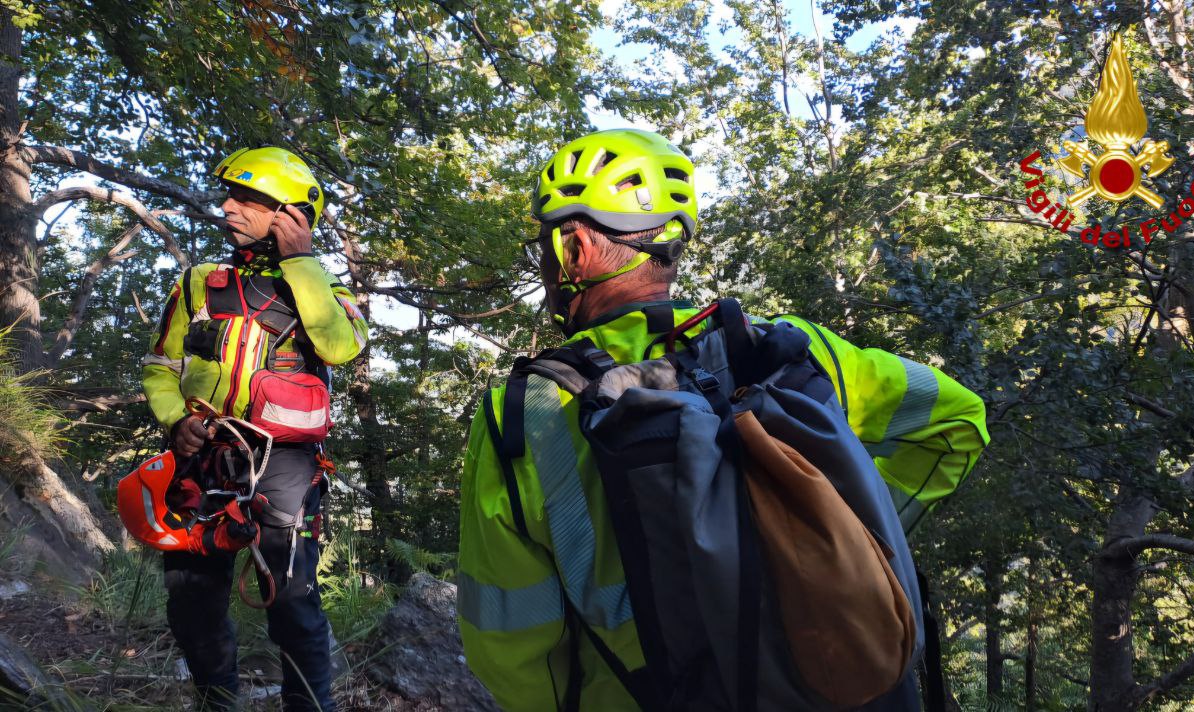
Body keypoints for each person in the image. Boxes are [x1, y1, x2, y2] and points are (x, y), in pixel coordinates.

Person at [457, 128, 990, 710]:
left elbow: (512, 649)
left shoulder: (521, 413)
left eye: (546, 246)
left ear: (575, 248)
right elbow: (959, 420)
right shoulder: (793, 347)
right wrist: (844, 536)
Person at [141, 146, 368, 711]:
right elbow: (160, 367)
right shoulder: (199, 284)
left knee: (292, 602)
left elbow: (340, 347)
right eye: (228, 195)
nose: (227, 208)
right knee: (191, 599)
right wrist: (176, 422)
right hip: (202, 457)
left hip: (286, 468)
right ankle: (218, 702)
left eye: (246, 199)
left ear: (290, 215)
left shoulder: (327, 291)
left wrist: (303, 261)